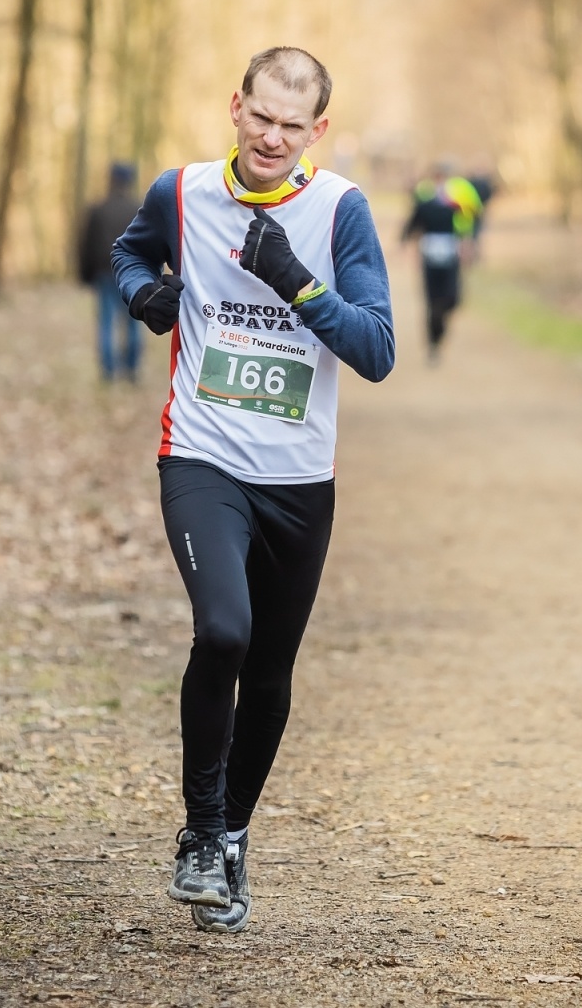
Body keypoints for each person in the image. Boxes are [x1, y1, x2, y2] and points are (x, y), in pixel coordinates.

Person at [111, 47, 394, 934]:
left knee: (269, 671)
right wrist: (144, 295)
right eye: (259, 116)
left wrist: (298, 283)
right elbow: (127, 254)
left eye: (291, 124)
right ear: (235, 106)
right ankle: (198, 836)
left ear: (318, 131)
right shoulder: (182, 192)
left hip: (299, 480)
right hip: (202, 456)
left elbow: (377, 350)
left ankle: (231, 837)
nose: (272, 136)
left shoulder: (341, 210)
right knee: (223, 630)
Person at [402, 161, 483, 363]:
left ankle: (440, 322)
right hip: (430, 256)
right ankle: (433, 342)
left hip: (450, 254)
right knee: (432, 301)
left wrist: (467, 244)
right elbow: (414, 224)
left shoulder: (457, 201)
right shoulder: (424, 201)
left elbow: (468, 222)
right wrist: (408, 244)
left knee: (451, 297)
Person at [77, 162, 144, 381]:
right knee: (133, 322)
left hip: (105, 273)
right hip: (133, 274)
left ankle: (108, 371)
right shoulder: (139, 209)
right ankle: (131, 368)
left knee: (106, 322)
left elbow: (86, 245)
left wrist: (85, 274)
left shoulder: (98, 209)